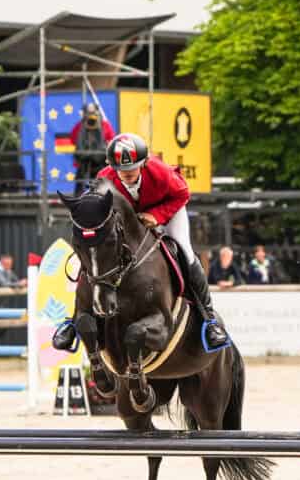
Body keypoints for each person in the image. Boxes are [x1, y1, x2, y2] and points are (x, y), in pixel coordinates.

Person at [52, 132, 230, 352]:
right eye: (121, 169)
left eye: (132, 167)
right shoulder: (106, 178)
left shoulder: (160, 172)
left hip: (167, 210)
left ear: (144, 163)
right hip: (128, 221)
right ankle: (72, 321)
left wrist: (157, 216)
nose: (126, 173)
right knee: (94, 256)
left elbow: (182, 194)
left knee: (184, 250)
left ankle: (209, 320)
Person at [70, 102, 116, 182]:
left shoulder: (105, 125)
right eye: (89, 113)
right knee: (80, 182)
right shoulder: (79, 126)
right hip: (83, 160)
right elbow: (74, 140)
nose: (91, 116)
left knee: (101, 180)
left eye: (93, 113)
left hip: (100, 160)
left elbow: (111, 140)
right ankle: (79, 193)